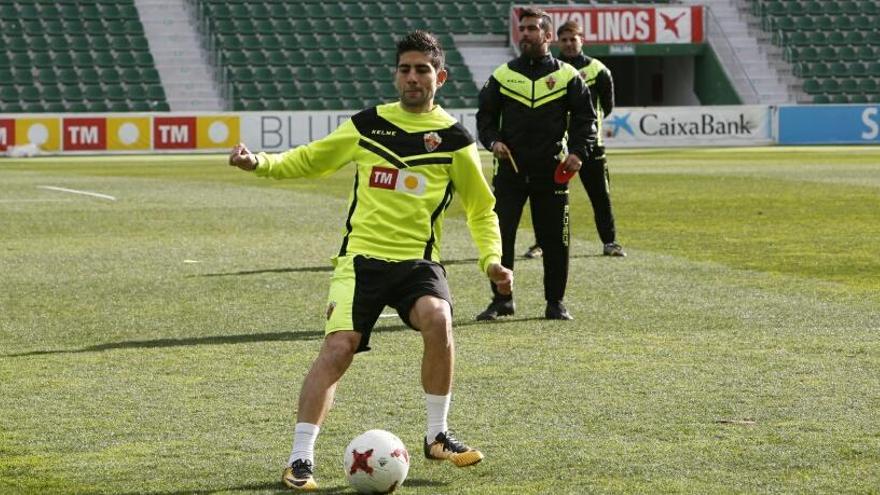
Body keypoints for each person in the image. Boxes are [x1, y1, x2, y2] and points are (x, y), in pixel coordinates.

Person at [228, 31, 513, 491]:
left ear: (440, 76)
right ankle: (300, 459)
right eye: (405, 69)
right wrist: (258, 163)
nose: (413, 78)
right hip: (360, 262)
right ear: (396, 75)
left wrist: (492, 261)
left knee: (439, 318)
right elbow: (309, 160)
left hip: (418, 263)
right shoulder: (367, 125)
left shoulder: (456, 140)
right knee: (339, 348)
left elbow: (482, 209)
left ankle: (437, 435)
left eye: (423, 70)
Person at [475, 8, 596, 321]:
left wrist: (579, 153)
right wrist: (492, 142)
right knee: (502, 238)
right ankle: (503, 300)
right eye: (522, 29)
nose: (525, 34)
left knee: (556, 240)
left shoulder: (568, 76)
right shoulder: (502, 76)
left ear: (548, 35)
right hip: (510, 173)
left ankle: (555, 302)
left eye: (532, 29)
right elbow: (484, 119)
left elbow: (586, 119)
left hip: (552, 173)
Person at [523, 20, 625, 259]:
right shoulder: (549, 69)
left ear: (582, 40)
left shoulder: (598, 70)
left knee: (600, 195)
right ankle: (541, 243)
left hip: (590, 146)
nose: (569, 44)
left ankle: (610, 242)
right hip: (555, 146)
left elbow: (606, 107)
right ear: (557, 41)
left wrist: (584, 131)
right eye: (564, 40)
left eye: (573, 39)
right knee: (545, 198)